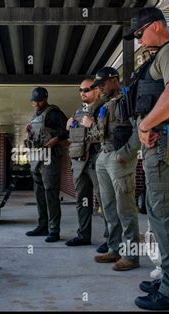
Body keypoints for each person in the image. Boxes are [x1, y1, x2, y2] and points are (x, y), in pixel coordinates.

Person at [125, 7, 169, 310]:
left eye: (140, 33)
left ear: (156, 25)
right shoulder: (163, 54)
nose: (139, 41)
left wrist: (144, 125)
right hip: (164, 143)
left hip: (165, 144)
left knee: (164, 217)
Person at [85, 67, 140, 271]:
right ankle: (115, 248)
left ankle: (132, 255)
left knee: (125, 208)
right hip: (103, 155)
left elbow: (139, 128)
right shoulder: (105, 105)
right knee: (108, 206)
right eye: (98, 85)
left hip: (120, 157)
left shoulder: (128, 98)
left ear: (115, 79)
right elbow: (100, 132)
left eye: (103, 83)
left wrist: (126, 153)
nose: (100, 88)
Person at [65, 79, 109, 248]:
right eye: (80, 90)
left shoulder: (105, 107)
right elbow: (75, 135)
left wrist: (93, 125)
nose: (82, 93)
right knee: (82, 200)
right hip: (79, 161)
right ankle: (83, 235)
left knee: (104, 200)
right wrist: (69, 126)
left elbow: (110, 133)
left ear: (97, 90)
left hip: (97, 160)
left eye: (87, 89)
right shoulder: (78, 111)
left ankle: (110, 238)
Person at [25, 87, 68, 243]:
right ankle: (42, 226)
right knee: (39, 194)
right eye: (34, 101)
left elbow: (67, 130)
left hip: (50, 158)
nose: (36, 104)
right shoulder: (35, 115)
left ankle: (54, 230)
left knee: (50, 193)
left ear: (45, 98)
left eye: (39, 101)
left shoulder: (54, 112)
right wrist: (29, 133)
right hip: (37, 157)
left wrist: (56, 140)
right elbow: (37, 134)